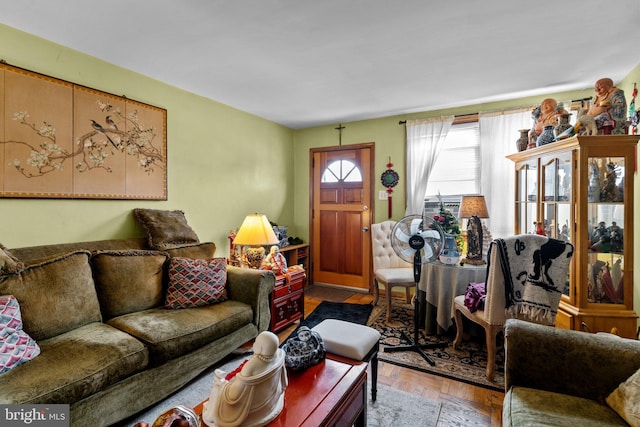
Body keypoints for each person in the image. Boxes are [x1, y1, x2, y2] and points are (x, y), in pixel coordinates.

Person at [202, 331, 287, 427]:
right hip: (269, 403)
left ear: (261, 348)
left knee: (217, 390)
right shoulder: (279, 354)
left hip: (251, 410)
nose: (254, 344)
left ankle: (212, 414)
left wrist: (222, 384)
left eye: (256, 343)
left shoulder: (251, 367)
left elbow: (233, 395)